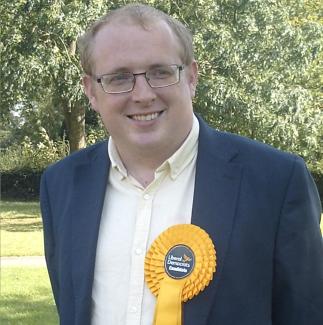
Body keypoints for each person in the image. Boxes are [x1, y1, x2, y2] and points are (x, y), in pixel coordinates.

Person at [40, 3, 323, 325]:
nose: (143, 94)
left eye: (160, 72)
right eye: (119, 78)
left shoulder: (276, 181)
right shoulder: (60, 184)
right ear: (91, 91)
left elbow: (306, 314)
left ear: (191, 76)